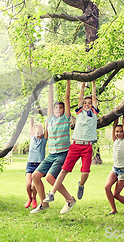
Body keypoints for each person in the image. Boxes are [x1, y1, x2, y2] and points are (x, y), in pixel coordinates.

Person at [43, 80, 98, 206]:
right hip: (75, 145)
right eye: (85, 102)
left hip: (87, 146)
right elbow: (80, 96)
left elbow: (94, 97)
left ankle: (81, 184)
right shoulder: (79, 112)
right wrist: (83, 85)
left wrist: (93, 83)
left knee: (85, 173)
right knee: (64, 171)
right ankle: (51, 193)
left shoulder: (94, 113)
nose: (87, 104)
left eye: (89, 103)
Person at [30, 80, 76, 214]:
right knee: (35, 176)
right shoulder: (50, 119)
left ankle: (69, 199)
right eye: (56, 108)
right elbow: (50, 102)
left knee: (50, 177)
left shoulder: (66, 118)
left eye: (60, 108)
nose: (57, 109)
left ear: (63, 110)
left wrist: (68, 81)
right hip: (51, 155)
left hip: (62, 154)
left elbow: (66, 98)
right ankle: (43, 204)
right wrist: (51, 85)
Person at [104, 113, 124, 215]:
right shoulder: (115, 140)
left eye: (121, 132)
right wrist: (116, 114)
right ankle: (113, 209)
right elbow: (114, 126)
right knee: (107, 187)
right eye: (117, 132)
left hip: (123, 170)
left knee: (116, 194)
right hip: (115, 169)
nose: (119, 133)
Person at [24, 117, 47, 209]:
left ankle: (34, 198)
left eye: (40, 133)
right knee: (28, 185)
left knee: (34, 185)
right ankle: (29, 198)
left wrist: (46, 122)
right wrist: (31, 118)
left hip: (39, 165)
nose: (39, 135)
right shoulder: (32, 138)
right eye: (37, 133)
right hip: (30, 165)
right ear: (33, 133)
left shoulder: (44, 140)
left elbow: (47, 129)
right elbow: (31, 126)